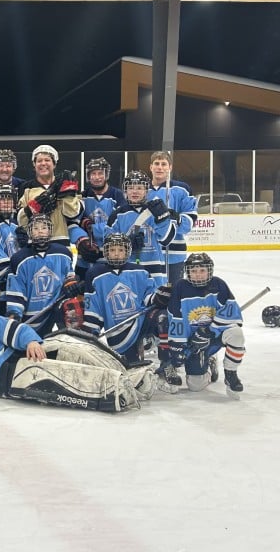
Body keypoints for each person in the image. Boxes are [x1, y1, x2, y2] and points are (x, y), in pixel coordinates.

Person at [0, 300, 150, 412]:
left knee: (67, 343)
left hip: (16, 353)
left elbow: (11, 328)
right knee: (60, 375)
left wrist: (31, 341)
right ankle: (116, 389)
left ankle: (125, 368)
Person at [82, 233, 173, 369]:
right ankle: (140, 347)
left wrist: (159, 298)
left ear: (127, 252)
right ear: (106, 252)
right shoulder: (95, 274)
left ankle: (166, 365)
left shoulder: (140, 271)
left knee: (163, 317)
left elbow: (149, 296)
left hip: (141, 320)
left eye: (121, 250)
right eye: (112, 250)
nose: (117, 254)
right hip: (117, 330)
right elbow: (94, 306)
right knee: (131, 370)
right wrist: (91, 331)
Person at [167, 253, 246, 398]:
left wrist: (208, 331)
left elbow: (230, 313)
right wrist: (180, 346)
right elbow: (175, 318)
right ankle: (208, 362)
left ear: (209, 271)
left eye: (202, 270)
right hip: (193, 342)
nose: (198, 275)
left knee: (236, 334)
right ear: (187, 272)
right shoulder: (180, 287)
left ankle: (231, 374)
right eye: (194, 271)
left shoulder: (219, 285)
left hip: (214, 336)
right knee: (195, 386)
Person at [4, 214, 81, 336]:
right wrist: (14, 316)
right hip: (32, 316)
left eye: (44, 227)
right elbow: (16, 292)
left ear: (50, 230)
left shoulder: (63, 253)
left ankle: (74, 339)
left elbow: (69, 277)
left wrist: (72, 284)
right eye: (35, 228)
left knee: (72, 305)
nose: (40, 231)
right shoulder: (19, 259)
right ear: (29, 232)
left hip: (56, 308)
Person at [106, 170, 176, 285]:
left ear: (146, 191)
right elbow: (108, 246)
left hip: (155, 271)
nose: (135, 191)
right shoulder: (116, 215)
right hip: (128, 270)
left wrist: (163, 220)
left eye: (139, 188)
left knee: (156, 301)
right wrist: (127, 243)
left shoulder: (156, 210)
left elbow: (166, 240)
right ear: (125, 190)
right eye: (131, 187)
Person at [147, 151, 198, 284]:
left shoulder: (182, 189)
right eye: (156, 164)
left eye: (164, 164)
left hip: (174, 255)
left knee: (174, 295)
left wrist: (179, 219)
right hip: (148, 253)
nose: (160, 167)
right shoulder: (141, 189)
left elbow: (190, 221)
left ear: (170, 167)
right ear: (150, 167)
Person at [16, 144, 83, 248]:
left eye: (47, 160)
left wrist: (67, 195)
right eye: (39, 161)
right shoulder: (26, 188)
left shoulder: (65, 183)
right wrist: (33, 208)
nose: (43, 163)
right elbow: (21, 221)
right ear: (34, 164)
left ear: (54, 164)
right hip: (34, 245)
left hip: (61, 243)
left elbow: (73, 214)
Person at [74, 157, 126, 281]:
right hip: (85, 258)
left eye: (100, 173)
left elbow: (121, 224)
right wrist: (82, 241)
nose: (97, 177)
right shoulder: (82, 196)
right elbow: (73, 223)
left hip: (112, 256)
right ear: (88, 176)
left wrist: (91, 228)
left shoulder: (118, 195)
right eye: (93, 173)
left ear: (106, 175)